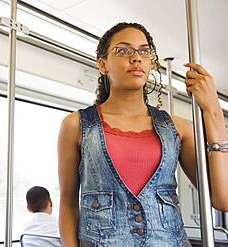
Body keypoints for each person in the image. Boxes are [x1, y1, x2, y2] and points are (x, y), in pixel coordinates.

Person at [58, 22, 228, 247]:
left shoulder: (177, 128)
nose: (136, 57)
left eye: (144, 51)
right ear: (102, 64)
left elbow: (222, 198)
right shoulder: (77, 125)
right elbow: (69, 204)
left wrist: (214, 111)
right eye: (123, 50)